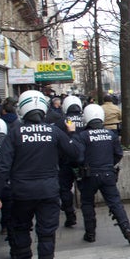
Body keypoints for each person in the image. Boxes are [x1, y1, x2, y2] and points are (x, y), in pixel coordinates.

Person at [0, 90, 79, 259]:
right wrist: (70, 134)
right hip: (48, 191)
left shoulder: (14, 133)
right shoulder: (54, 132)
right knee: (46, 236)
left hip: (21, 193)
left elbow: (2, 166)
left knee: (21, 233)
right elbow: (74, 154)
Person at [72, 104, 130, 245]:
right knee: (115, 203)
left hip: (89, 175)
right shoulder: (110, 134)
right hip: (108, 174)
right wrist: (108, 164)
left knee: (87, 203)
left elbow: (78, 158)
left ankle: (90, 233)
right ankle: (127, 229)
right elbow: (119, 153)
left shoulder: (82, 136)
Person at [55, 95, 84, 228]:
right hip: (82, 161)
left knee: (64, 189)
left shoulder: (61, 122)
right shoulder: (86, 120)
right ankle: (88, 217)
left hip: (65, 161)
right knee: (86, 190)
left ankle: (70, 215)